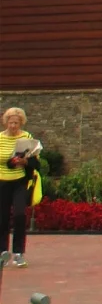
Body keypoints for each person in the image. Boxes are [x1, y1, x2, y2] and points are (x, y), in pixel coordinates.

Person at [0, 106, 40, 267]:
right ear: (6, 123)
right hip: (2, 181)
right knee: (2, 217)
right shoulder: (0, 138)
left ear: (21, 123)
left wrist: (24, 161)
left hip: (19, 181)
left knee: (19, 215)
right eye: (11, 123)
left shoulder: (26, 137)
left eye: (16, 123)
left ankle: (18, 253)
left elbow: (35, 160)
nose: (13, 126)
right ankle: (3, 252)